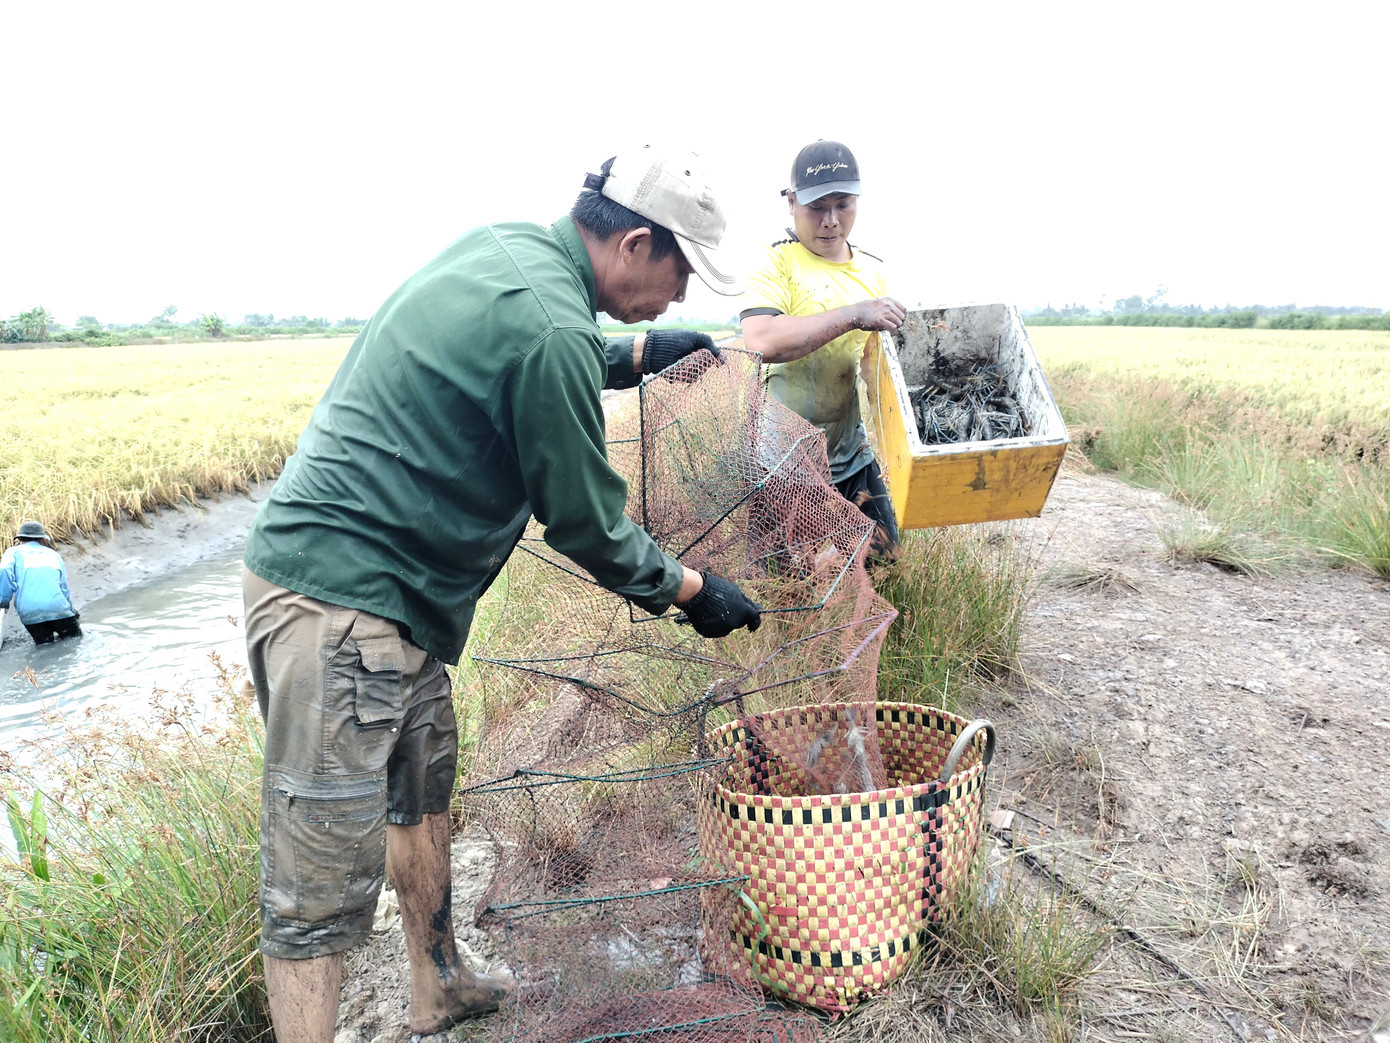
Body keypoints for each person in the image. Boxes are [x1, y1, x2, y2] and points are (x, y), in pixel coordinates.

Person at [240, 145, 762, 1043]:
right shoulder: (553, 327)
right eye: (678, 278)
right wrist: (692, 589)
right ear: (635, 242)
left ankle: (438, 982)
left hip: (396, 606)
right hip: (336, 607)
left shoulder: (510, 249)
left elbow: (524, 345)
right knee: (318, 887)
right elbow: (588, 525)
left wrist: (634, 352)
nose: (680, 300)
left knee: (423, 792)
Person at [739, 140, 907, 564]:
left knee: (886, 560)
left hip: (849, 453)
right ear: (791, 202)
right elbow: (762, 339)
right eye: (817, 207)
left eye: (843, 205)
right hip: (783, 465)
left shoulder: (873, 271)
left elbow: (876, 371)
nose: (831, 221)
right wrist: (853, 314)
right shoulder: (774, 261)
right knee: (789, 587)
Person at [0, 521, 83, 644]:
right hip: (58, 608)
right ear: (42, 539)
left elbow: (4, 570)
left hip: (30, 612)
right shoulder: (53, 554)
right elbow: (63, 587)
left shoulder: (13, 552)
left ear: (19, 539)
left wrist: (4, 600)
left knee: (44, 646)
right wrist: (70, 609)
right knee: (75, 641)